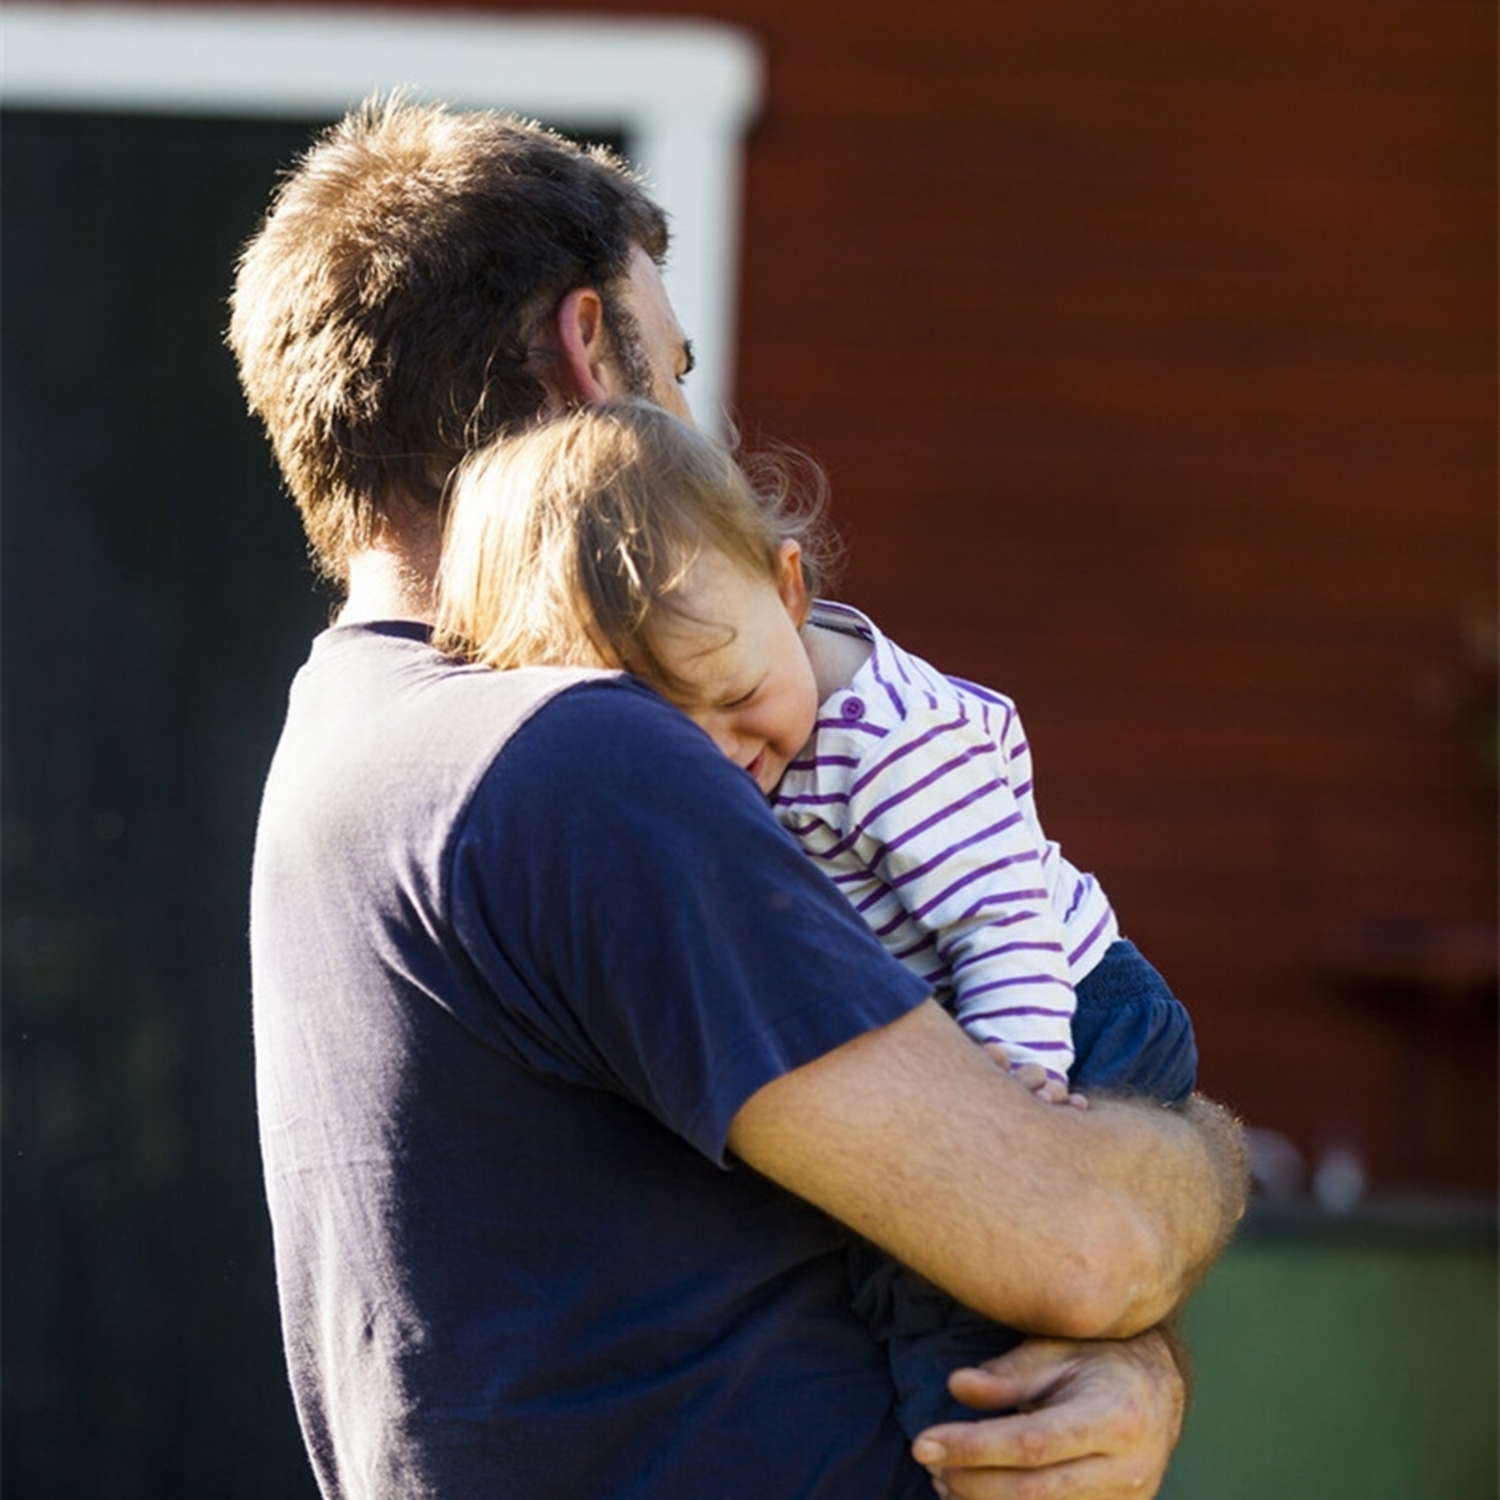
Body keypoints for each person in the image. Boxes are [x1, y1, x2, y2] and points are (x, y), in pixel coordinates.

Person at [230, 95, 1247, 1499]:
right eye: (680, 369)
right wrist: (1199, 1168)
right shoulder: (576, 756)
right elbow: (1080, 1242)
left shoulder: (354, 745)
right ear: (594, 353)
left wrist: (1109, 1367)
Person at [431, 397, 1199, 1434]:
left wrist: (1019, 1091)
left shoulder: (891, 742)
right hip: (973, 1019)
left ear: (788, 589)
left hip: (1077, 1011)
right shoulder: (743, 735)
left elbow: (1002, 921)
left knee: (948, 1301)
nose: (722, 752)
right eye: (667, 730)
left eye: (736, 693)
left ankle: (962, 1451)